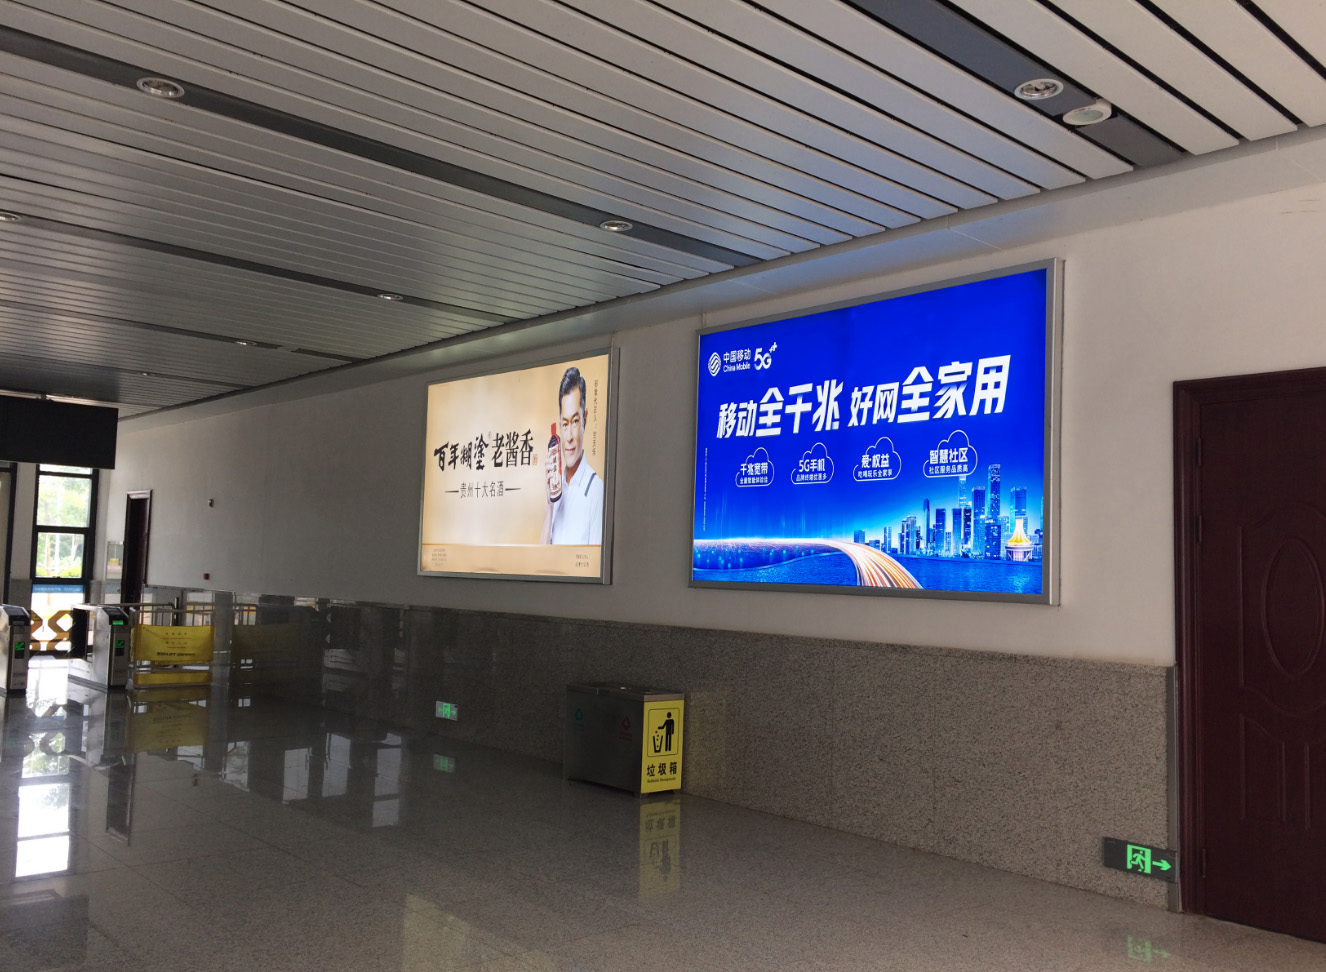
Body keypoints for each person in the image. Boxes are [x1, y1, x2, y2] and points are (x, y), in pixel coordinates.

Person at [541, 366, 603, 544]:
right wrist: (549, 505)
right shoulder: (557, 488)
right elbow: (540, 557)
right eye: (564, 424)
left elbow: (596, 560)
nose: (568, 437)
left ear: (585, 419)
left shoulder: (596, 491)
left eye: (575, 421)